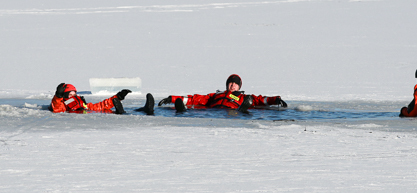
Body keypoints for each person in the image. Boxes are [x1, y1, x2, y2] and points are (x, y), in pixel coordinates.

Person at [157, 74, 288, 113]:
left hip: (232, 110)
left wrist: (275, 100)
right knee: (195, 109)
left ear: (239, 86)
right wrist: (172, 99)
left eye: (235, 83)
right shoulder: (215, 95)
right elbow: (195, 99)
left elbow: (261, 100)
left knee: (246, 105)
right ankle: (181, 111)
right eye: (230, 83)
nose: (232, 85)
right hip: (213, 110)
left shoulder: (243, 96)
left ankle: (243, 110)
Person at [49, 83, 131, 114]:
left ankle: (120, 111)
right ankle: (120, 113)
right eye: (70, 95)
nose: (73, 97)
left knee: (103, 109)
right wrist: (58, 96)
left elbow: (99, 106)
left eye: (74, 94)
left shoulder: (81, 103)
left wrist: (118, 96)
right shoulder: (63, 104)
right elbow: (57, 109)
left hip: (86, 111)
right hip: (79, 114)